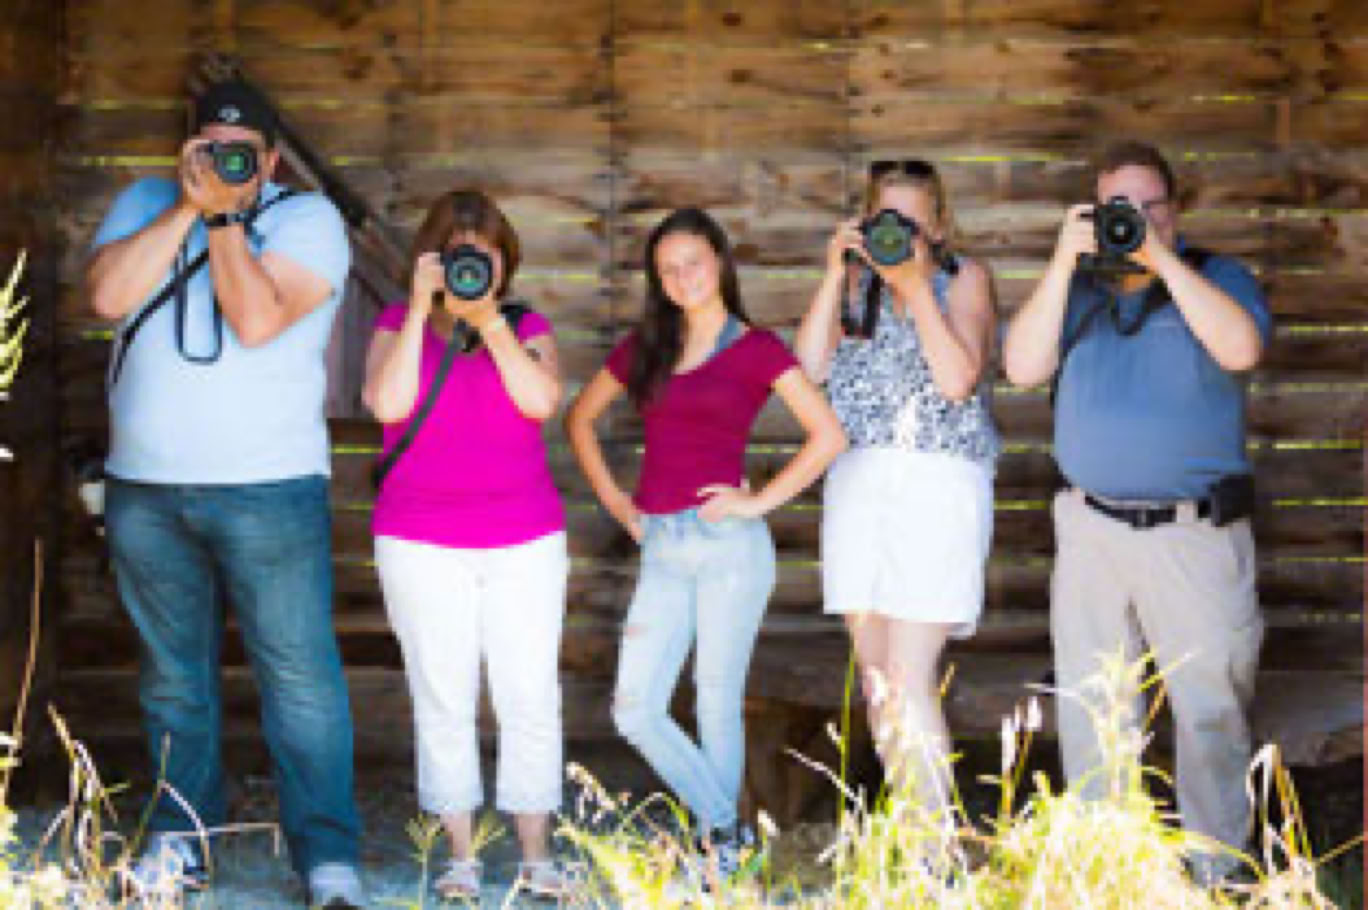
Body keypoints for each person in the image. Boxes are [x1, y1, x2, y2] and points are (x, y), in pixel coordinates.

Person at [85, 80, 365, 907]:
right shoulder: (144, 199)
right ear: (186, 148)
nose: (224, 160)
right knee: (173, 678)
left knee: (299, 678)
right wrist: (184, 204)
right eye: (208, 145)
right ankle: (180, 838)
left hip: (268, 488)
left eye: (240, 151)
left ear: (272, 159)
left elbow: (252, 319)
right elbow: (104, 297)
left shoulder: (307, 220)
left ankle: (328, 857)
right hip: (146, 490)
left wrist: (223, 218)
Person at [1001, 140, 1271, 883]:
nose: (1134, 221)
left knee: (1209, 708)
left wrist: (1163, 260)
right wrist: (1062, 263)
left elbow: (1241, 348)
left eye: (1148, 206)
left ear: (1173, 210)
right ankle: (1109, 870)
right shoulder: (1079, 291)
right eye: (1118, 209)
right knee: (1093, 710)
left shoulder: (1218, 278)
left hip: (1193, 533)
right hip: (1090, 531)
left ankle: (1221, 875)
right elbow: (1021, 367)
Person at [565, 207, 846, 875]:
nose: (682, 276)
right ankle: (728, 828)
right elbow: (580, 420)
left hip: (729, 546)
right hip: (660, 544)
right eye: (667, 269)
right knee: (635, 708)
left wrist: (756, 501)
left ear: (719, 261)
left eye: (692, 261)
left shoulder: (756, 349)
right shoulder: (647, 349)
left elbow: (828, 436)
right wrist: (617, 501)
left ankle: (721, 859)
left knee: (718, 700)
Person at [361, 189, 570, 901]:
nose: (472, 269)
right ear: (432, 261)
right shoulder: (397, 322)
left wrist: (490, 325)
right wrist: (425, 310)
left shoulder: (529, 324)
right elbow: (387, 406)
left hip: (524, 538)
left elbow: (540, 402)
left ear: (505, 264)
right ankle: (463, 857)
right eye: (458, 257)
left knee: (529, 694)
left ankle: (538, 856)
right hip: (419, 539)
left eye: (486, 258)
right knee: (443, 695)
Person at [793, 158, 999, 839]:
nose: (900, 233)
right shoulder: (853, 283)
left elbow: (957, 379)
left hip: (937, 479)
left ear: (936, 224)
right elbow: (810, 369)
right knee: (877, 676)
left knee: (910, 672)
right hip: (859, 480)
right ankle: (913, 834)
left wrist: (915, 287)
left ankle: (935, 851)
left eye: (913, 220)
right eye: (887, 219)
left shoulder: (962, 278)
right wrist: (832, 273)